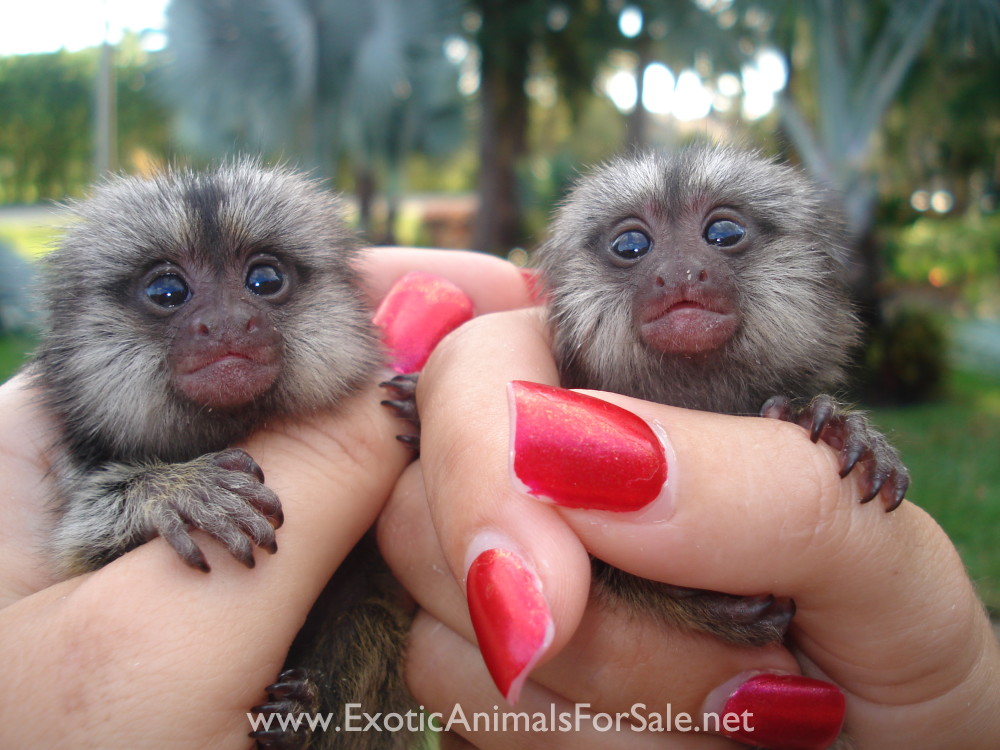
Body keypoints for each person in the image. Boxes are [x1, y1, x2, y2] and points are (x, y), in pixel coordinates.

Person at [1, 249, 996, 749]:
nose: (225, 318)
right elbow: (93, 526)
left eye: (264, 278)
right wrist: (169, 489)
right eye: (166, 294)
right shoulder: (73, 451)